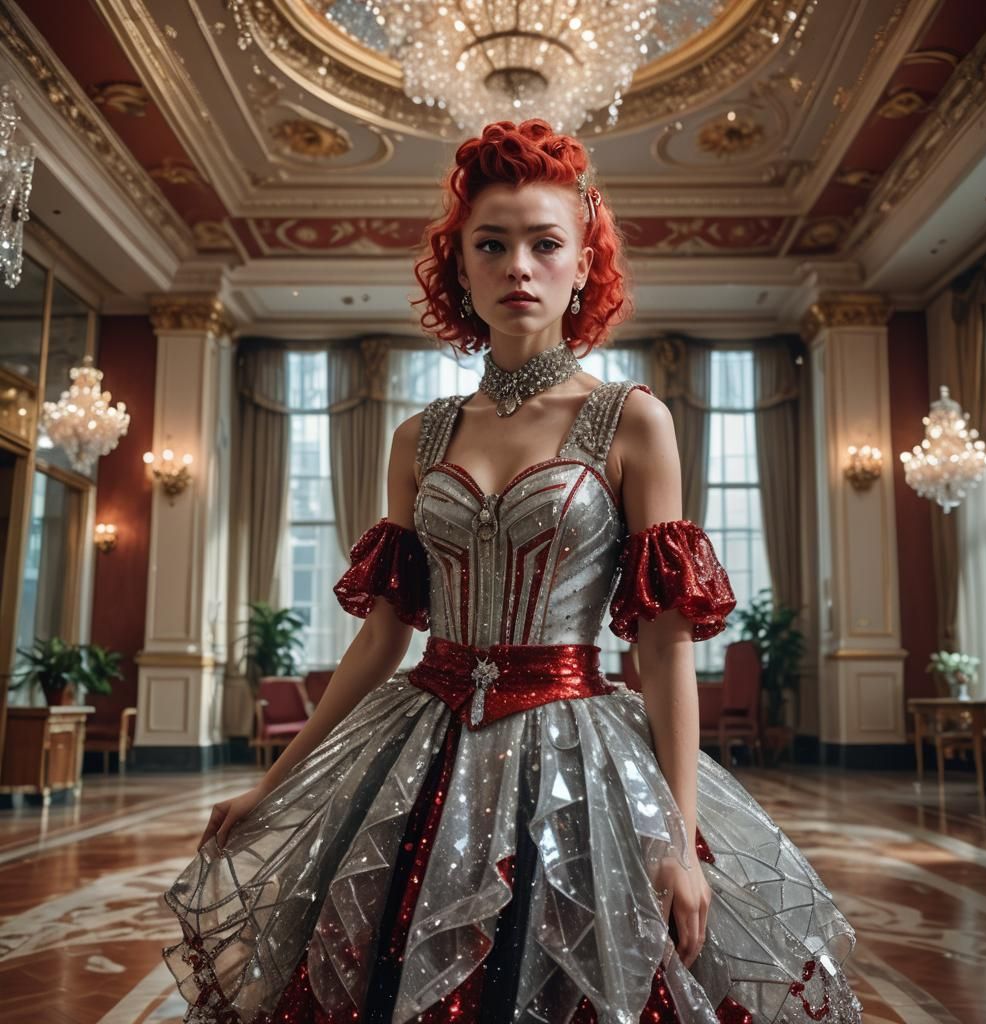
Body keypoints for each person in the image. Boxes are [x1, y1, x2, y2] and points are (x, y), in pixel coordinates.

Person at [164, 119, 862, 1024]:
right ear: (460, 268)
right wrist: (273, 783)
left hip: (576, 754)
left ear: (583, 265)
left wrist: (680, 838)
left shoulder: (632, 420)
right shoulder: (418, 437)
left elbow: (663, 647)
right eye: (491, 245)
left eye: (545, 244)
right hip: (421, 745)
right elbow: (381, 639)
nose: (518, 267)